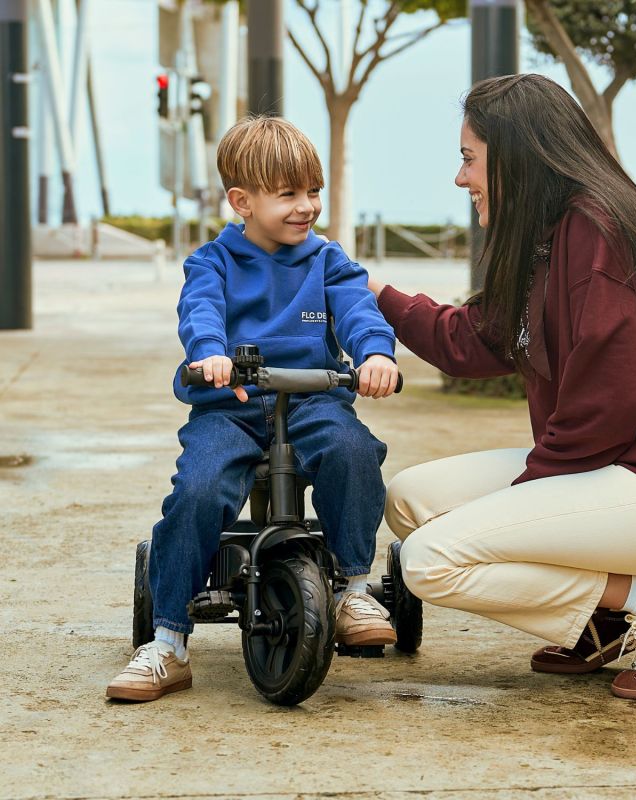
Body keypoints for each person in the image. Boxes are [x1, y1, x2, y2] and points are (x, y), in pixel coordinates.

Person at [368, 74, 636, 700]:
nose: (459, 178)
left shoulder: (604, 236)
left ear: (518, 157)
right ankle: (606, 618)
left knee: (430, 561)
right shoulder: (549, 235)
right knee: (412, 500)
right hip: (616, 469)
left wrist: (514, 508)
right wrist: (374, 297)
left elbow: (599, 414)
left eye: (469, 159)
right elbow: (474, 341)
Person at [107, 116, 399, 702]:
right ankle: (168, 642)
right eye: (288, 194)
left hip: (312, 401)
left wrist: (375, 354)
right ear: (242, 200)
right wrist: (209, 354)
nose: (307, 206)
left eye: (312, 192)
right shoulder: (213, 262)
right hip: (231, 407)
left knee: (354, 450)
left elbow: (359, 311)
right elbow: (201, 313)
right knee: (198, 487)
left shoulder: (326, 261)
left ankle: (351, 587)